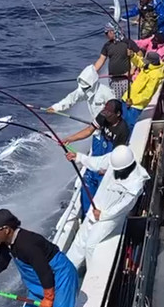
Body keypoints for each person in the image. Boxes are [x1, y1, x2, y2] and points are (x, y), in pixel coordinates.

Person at [65, 145, 149, 270]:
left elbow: (123, 207)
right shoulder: (114, 160)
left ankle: (92, 276)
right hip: (95, 209)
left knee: (91, 245)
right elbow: (98, 162)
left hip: (110, 219)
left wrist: (103, 215)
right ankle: (67, 272)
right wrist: (79, 157)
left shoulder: (136, 182)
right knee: (79, 241)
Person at [47, 63, 115, 216]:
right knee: (95, 168)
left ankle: (103, 199)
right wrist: (57, 107)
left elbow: (116, 113)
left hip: (109, 135)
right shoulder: (84, 90)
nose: (83, 90)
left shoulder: (106, 94)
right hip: (97, 134)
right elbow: (72, 97)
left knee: (104, 167)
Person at [95, 22, 141, 100]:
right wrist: (93, 72)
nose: (105, 35)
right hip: (113, 80)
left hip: (126, 78)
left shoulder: (128, 42)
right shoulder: (107, 46)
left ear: (111, 32)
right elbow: (101, 60)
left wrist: (132, 69)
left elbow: (140, 54)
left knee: (127, 100)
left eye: (106, 33)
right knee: (116, 102)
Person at [62, 99, 130, 150]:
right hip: (104, 141)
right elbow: (89, 130)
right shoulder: (103, 115)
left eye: (109, 114)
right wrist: (70, 139)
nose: (106, 116)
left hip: (115, 147)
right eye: (105, 112)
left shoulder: (123, 130)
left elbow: (117, 153)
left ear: (118, 114)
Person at [123, 51, 164, 123]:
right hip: (127, 99)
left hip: (135, 106)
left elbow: (147, 95)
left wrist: (133, 101)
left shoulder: (155, 75)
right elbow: (139, 62)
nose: (144, 62)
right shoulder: (149, 66)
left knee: (128, 125)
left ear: (152, 62)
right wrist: (132, 55)